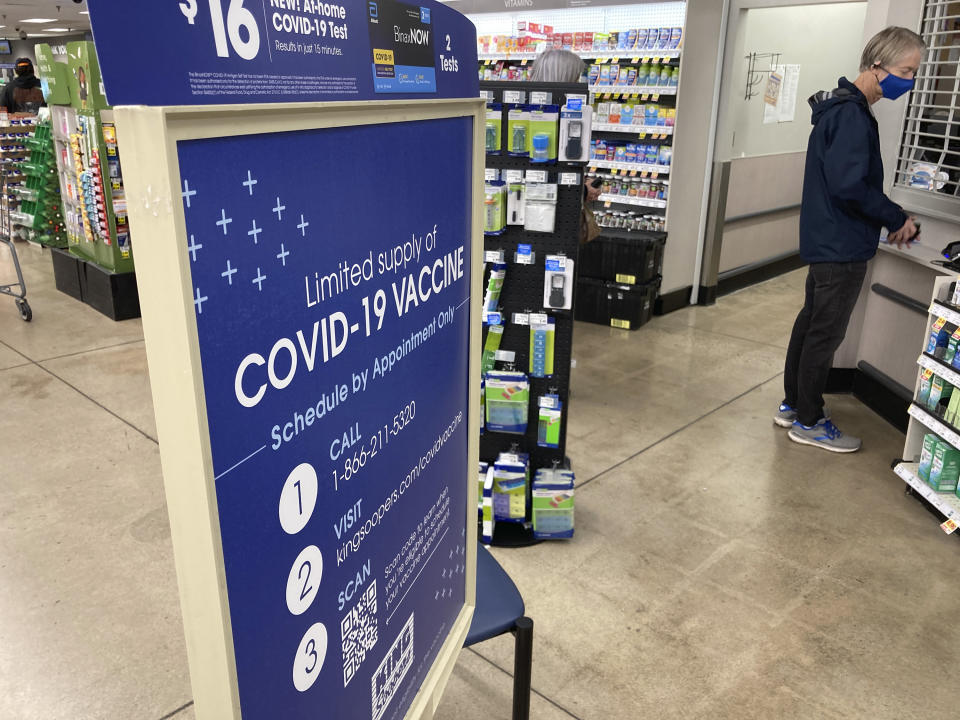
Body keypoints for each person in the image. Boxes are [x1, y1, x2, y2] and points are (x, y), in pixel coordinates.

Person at [776, 26, 925, 453]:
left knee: (810, 326)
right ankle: (808, 420)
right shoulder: (851, 116)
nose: (910, 81)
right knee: (823, 333)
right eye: (906, 70)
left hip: (828, 241)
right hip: (840, 246)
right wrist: (897, 217)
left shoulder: (840, 109)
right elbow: (850, 187)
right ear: (877, 66)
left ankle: (793, 405)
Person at [527, 49, 601, 241]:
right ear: (563, 77)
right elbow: (545, 175)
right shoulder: (555, 117)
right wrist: (584, 190)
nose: (578, 84)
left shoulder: (526, 108)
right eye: (576, 78)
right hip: (546, 218)